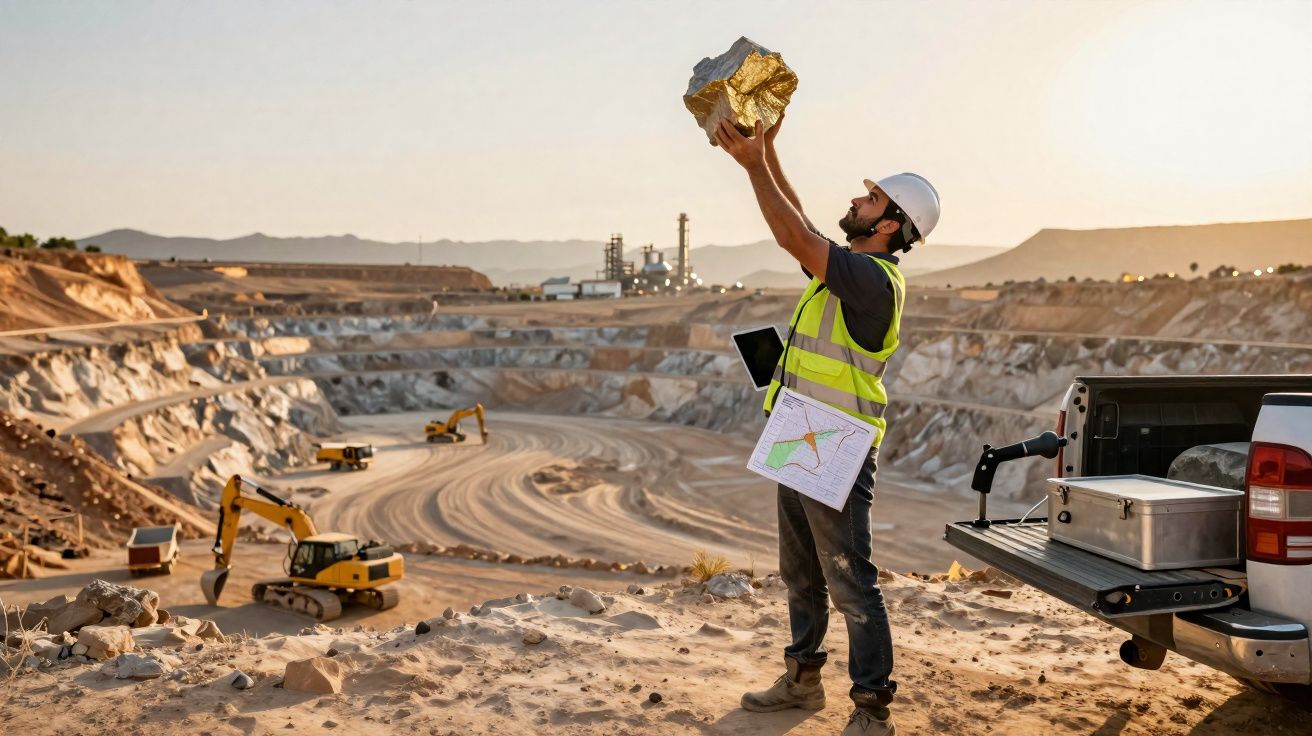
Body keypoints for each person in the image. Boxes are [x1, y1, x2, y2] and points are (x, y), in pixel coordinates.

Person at [712, 113, 940, 736]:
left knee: (850, 579)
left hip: (834, 437)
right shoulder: (844, 271)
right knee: (802, 572)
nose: (855, 201)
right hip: (801, 427)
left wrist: (754, 165)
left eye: (869, 199)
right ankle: (802, 679)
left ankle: (871, 710)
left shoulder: (871, 279)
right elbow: (806, 230)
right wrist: (771, 153)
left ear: (890, 225)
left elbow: (795, 238)